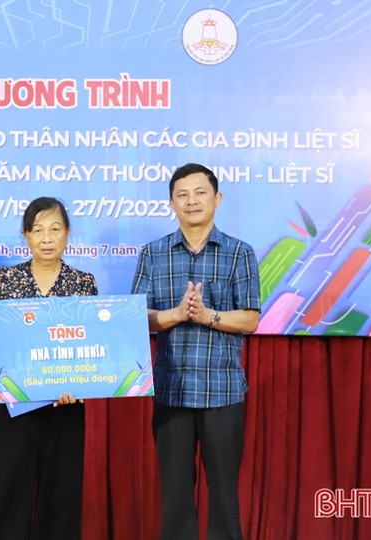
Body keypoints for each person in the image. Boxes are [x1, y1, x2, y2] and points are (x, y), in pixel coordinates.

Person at [131, 163, 261, 540]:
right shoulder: (153, 253)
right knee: (175, 498)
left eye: (200, 193)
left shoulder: (239, 252)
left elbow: (250, 318)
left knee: (224, 496)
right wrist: (174, 315)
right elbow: (135, 318)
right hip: (172, 392)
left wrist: (208, 316)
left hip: (223, 392)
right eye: (182, 195)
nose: (192, 201)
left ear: (217, 199)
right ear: (171, 203)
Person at [0, 196, 98, 540]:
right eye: (38, 230)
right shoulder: (5, 279)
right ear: (25, 235)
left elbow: (91, 346)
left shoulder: (83, 283)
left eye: (55, 229)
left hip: (65, 405)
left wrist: (83, 384)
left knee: (61, 497)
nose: (47, 238)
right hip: (15, 402)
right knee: (6, 492)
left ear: (68, 233)